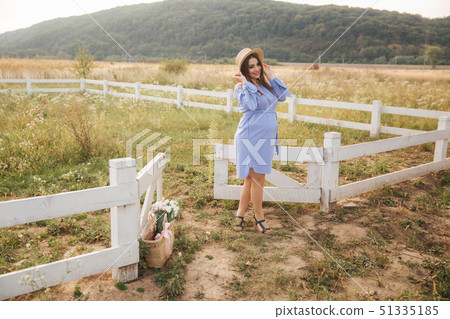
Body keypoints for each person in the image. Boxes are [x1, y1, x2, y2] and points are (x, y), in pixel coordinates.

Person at [232, 48, 292, 235]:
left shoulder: (265, 84)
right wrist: (244, 83)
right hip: (250, 137)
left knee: (252, 180)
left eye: (258, 64)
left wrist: (271, 75)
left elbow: (282, 97)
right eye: (251, 67)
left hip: (265, 139)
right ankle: (259, 217)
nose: (256, 69)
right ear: (244, 69)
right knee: (257, 179)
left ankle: (240, 214)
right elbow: (251, 105)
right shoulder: (241, 89)